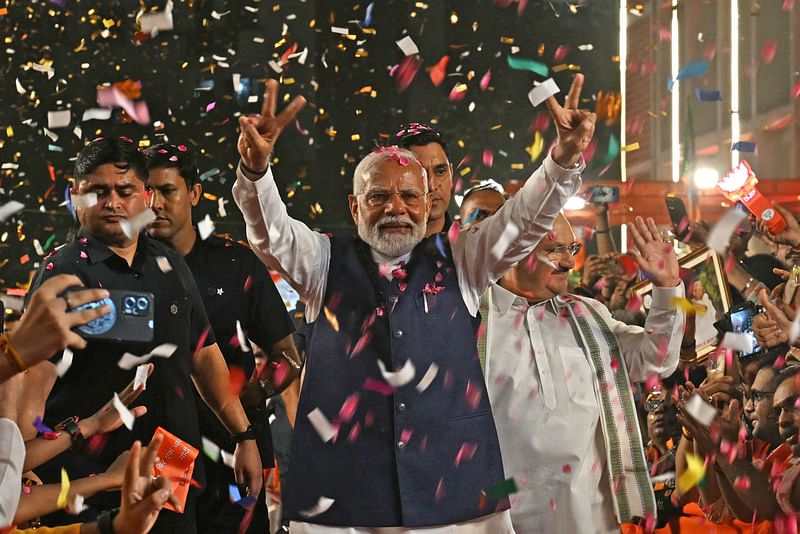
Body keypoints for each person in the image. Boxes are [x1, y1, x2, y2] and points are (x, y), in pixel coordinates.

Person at [232, 74, 595, 531]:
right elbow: (271, 233)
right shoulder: (323, 262)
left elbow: (523, 220)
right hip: (343, 494)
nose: (395, 208)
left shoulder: (464, 258)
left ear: (427, 203)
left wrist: (562, 161)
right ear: (354, 206)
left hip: (453, 491)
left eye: (408, 196)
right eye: (378, 196)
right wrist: (256, 175)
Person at [23, 137, 262, 533]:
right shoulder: (62, 275)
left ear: (146, 196)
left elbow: (203, 355)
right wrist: (21, 468)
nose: (113, 203)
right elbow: (32, 382)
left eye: (125, 190)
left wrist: (244, 436)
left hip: (170, 478)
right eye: (97, 191)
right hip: (87, 489)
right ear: (75, 196)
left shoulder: (170, 265)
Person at [483, 213, 685, 532]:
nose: (569, 263)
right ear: (513, 250)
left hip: (591, 517)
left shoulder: (588, 315)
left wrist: (667, 287)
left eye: (572, 248)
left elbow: (655, 360)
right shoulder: (474, 323)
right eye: (555, 250)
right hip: (502, 518)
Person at [144, 142, 301, 533]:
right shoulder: (128, 269)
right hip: (163, 448)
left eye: (167, 190)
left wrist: (257, 392)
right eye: (146, 192)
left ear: (194, 193)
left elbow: (288, 355)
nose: (155, 203)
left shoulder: (235, 263)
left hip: (236, 444)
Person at [388, 122, 454, 236]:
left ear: (451, 173)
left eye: (441, 172)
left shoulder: (473, 248)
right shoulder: (367, 250)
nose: (432, 186)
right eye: (420, 174)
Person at [690, 280, 719, 351]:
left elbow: (705, 309)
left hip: (711, 334)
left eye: (696, 290)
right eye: (693, 291)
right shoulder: (693, 302)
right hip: (700, 339)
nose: (694, 293)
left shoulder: (706, 298)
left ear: (702, 289)